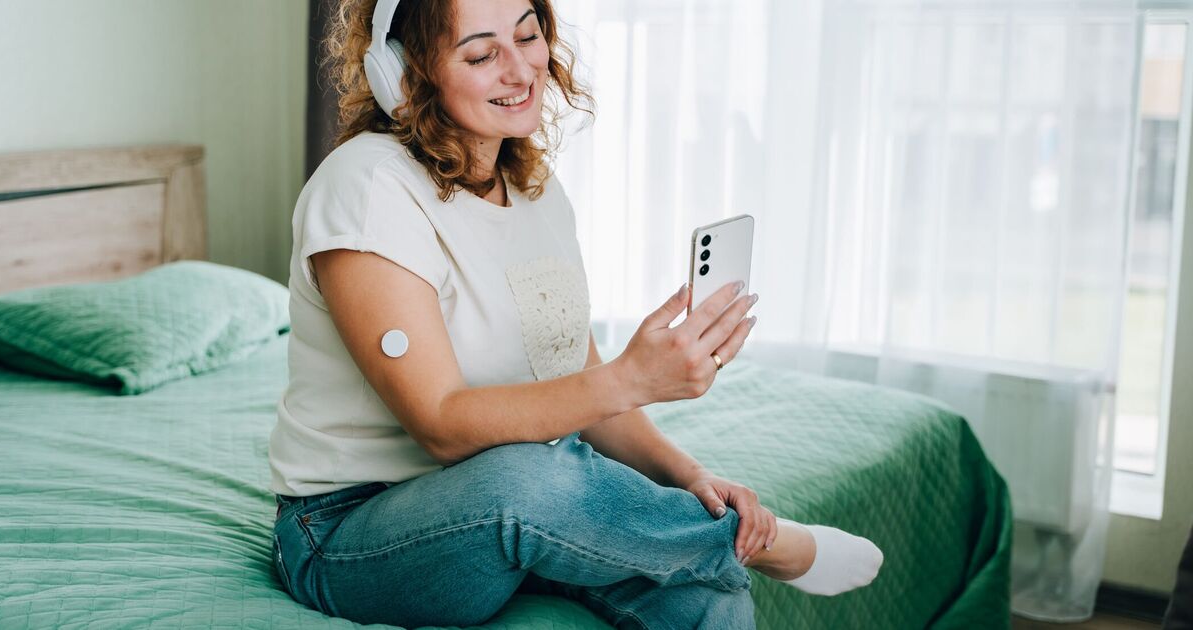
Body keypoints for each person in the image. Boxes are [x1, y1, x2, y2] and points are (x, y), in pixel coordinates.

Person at [268, 0, 883, 627]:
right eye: (481, 55)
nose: (520, 70)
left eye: (527, 36)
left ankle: (720, 545)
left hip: (504, 514)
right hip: (350, 534)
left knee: (706, 597)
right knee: (531, 477)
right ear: (404, 73)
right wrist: (632, 378)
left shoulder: (534, 189)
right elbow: (442, 426)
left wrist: (689, 476)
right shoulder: (367, 187)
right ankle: (769, 548)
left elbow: (575, 378)